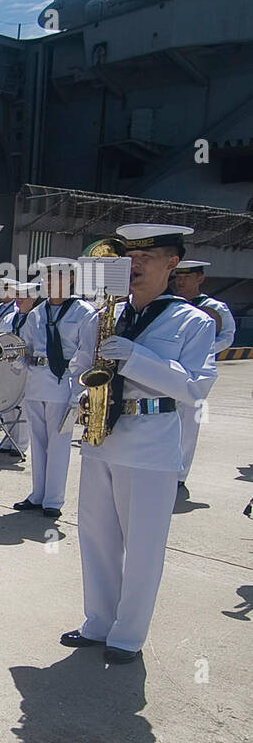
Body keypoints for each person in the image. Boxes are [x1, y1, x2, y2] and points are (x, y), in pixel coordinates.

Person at [61, 224, 216, 664]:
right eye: (129, 258)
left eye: (147, 259)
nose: (135, 267)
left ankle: (128, 635)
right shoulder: (101, 314)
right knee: (96, 538)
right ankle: (97, 622)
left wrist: (135, 356)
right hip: (100, 437)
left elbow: (194, 387)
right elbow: (77, 365)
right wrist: (82, 377)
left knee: (144, 544)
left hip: (151, 442)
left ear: (172, 263)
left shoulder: (194, 321)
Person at [11, 259, 96, 518]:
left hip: (64, 385)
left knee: (58, 444)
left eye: (56, 279)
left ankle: (53, 500)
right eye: (46, 279)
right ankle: (37, 494)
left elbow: (88, 352)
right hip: (36, 382)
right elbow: (25, 345)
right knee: (37, 442)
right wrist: (16, 360)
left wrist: (80, 391)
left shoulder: (84, 312)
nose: (49, 284)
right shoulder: (37, 313)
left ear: (70, 280)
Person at [171, 259, 235, 498]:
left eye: (187, 277)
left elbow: (227, 337)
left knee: (189, 424)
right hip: (169, 370)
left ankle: (179, 474)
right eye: (178, 277)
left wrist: (202, 350)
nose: (181, 281)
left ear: (200, 278)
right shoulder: (170, 305)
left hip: (196, 374)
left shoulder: (214, 307)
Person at [0, 278, 36, 457]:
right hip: (6, 367)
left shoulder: (36, 317)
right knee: (5, 406)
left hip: (25, 368)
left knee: (20, 407)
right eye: (18, 296)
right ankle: (8, 439)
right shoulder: (10, 316)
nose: (19, 299)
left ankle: (20, 444)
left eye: (24, 296)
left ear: (33, 298)